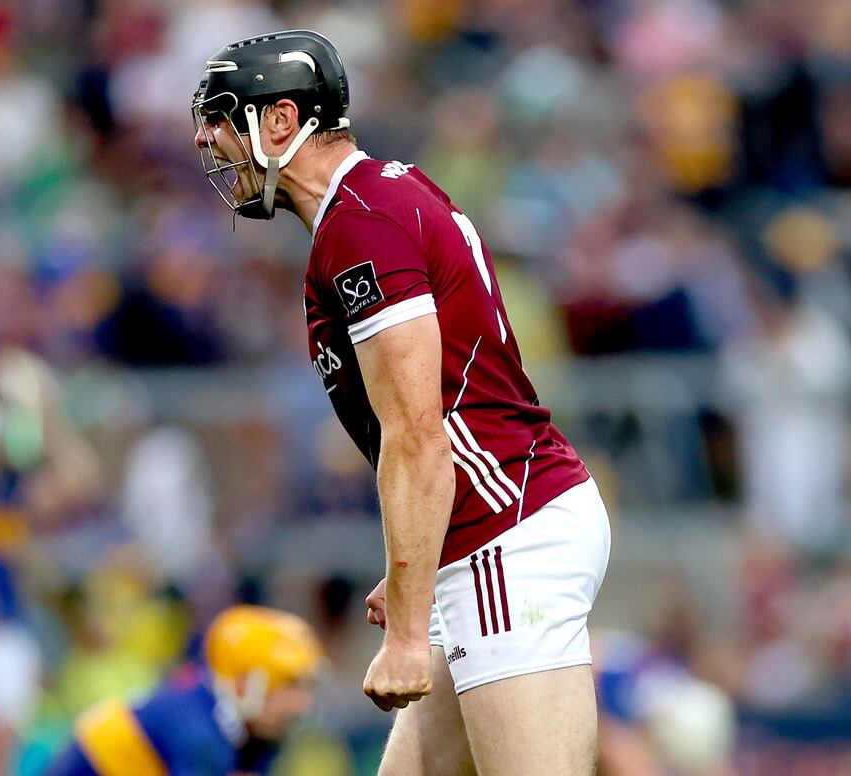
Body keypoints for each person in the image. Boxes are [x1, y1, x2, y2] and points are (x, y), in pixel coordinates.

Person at [191, 30, 612, 775]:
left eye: (220, 117)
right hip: (488, 533)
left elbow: (418, 432)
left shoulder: (360, 226)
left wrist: (409, 635)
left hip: (503, 536)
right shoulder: (374, 200)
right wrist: (416, 562)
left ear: (281, 120)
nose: (206, 139)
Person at [45, 604, 324, 776]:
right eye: (290, 685)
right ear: (242, 682)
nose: (301, 705)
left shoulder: (233, 723)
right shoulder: (197, 733)